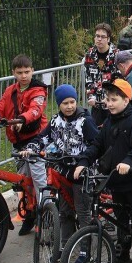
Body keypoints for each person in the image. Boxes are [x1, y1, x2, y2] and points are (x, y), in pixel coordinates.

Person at [75, 79, 132, 263]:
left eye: (114, 99)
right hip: (116, 181)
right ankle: (123, 255)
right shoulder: (109, 121)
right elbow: (97, 145)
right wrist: (83, 161)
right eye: (107, 99)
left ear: (126, 100)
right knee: (122, 219)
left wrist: (129, 161)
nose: (109, 103)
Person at [0, 54, 49, 235]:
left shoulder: (38, 90)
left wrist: (21, 119)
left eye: (27, 71)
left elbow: (35, 109)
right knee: (23, 182)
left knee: (39, 181)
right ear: (13, 73)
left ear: (32, 71)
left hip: (36, 139)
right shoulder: (10, 91)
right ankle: (30, 213)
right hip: (18, 142)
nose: (24, 75)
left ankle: (47, 215)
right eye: (20, 72)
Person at [26, 84, 98, 238]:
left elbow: (97, 145)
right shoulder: (55, 121)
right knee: (65, 212)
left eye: (72, 102)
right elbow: (43, 138)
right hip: (63, 172)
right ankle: (66, 246)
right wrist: (31, 148)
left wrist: (84, 162)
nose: (70, 106)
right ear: (59, 104)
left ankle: (85, 249)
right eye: (65, 103)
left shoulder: (85, 121)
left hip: (82, 173)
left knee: (82, 211)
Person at [84, 23, 120, 126]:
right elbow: (88, 78)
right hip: (96, 105)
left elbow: (119, 80)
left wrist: (109, 97)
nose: (99, 39)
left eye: (103, 37)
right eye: (97, 36)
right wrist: (91, 96)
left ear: (108, 39)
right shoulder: (90, 55)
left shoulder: (116, 55)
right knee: (97, 135)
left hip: (113, 104)